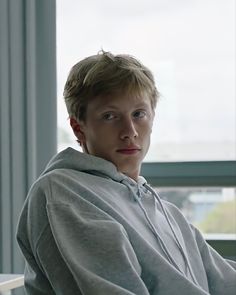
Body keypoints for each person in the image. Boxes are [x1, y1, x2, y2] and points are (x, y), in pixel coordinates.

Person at [17, 51, 236, 295]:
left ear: (152, 118)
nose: (129, 131)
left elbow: (224, 280)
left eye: (138, 114)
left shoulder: (168, 215)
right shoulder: (64, 193)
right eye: (110, 116)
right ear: (78, 128)